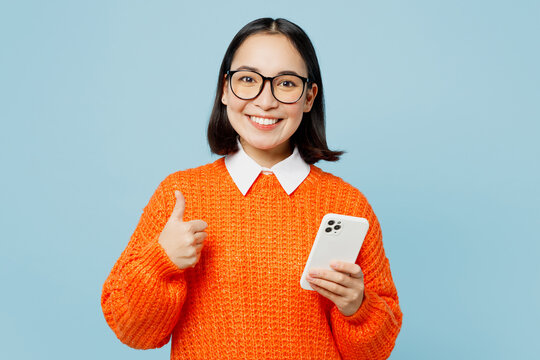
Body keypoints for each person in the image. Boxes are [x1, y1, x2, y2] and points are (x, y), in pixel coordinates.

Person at [101, 17, 402, 360]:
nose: (265, 101)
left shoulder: (347, 204)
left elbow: (375, 352)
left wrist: (357, 307)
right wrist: (160, 262)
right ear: (225, 89)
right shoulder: (180, 194)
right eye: (248, 79)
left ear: (308, 97)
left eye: (286, 83)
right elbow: (133, 332)